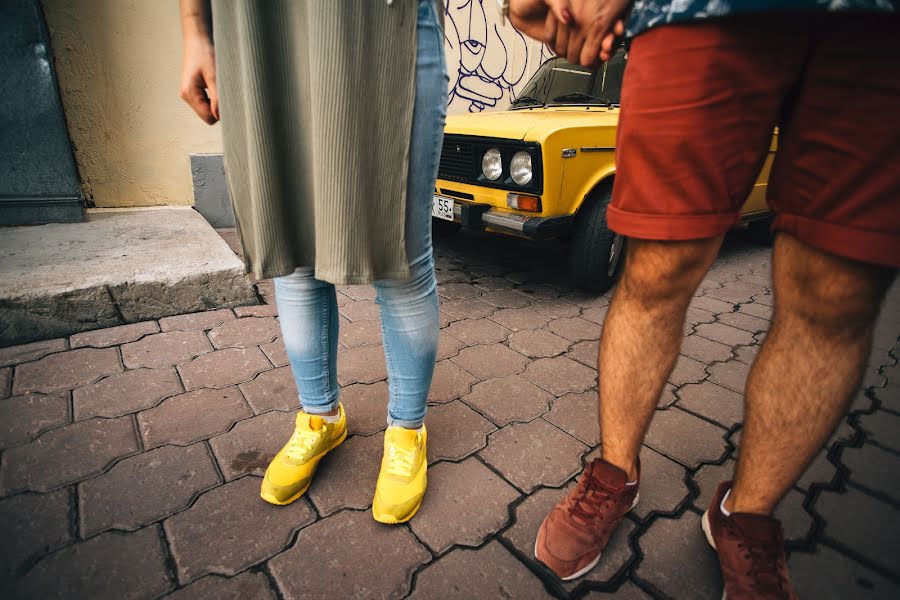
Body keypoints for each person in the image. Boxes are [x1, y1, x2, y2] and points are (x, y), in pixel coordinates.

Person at [510, 0, 900, 596]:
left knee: (837, 293)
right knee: (655, 269)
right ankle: (614, 474)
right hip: (697, 13)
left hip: (877, 29)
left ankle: (745, 516)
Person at [179, 0, 448, 524]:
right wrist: (195, 30)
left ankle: (407, 429)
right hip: (264, 31)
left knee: (398, 253)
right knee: (293, 248)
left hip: (376, 31)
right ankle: (320, 418)